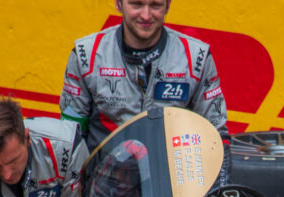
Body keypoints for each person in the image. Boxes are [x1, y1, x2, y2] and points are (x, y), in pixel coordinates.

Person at [60, 0, 231, 182]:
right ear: (119, 4)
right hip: (103, 189)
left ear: (168, 5)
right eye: (136, 4)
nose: (146, 15)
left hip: (173, 188)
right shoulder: (87, 55)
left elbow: (217, 136)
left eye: (155, 5)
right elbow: (70, 139)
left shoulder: (196, 57)